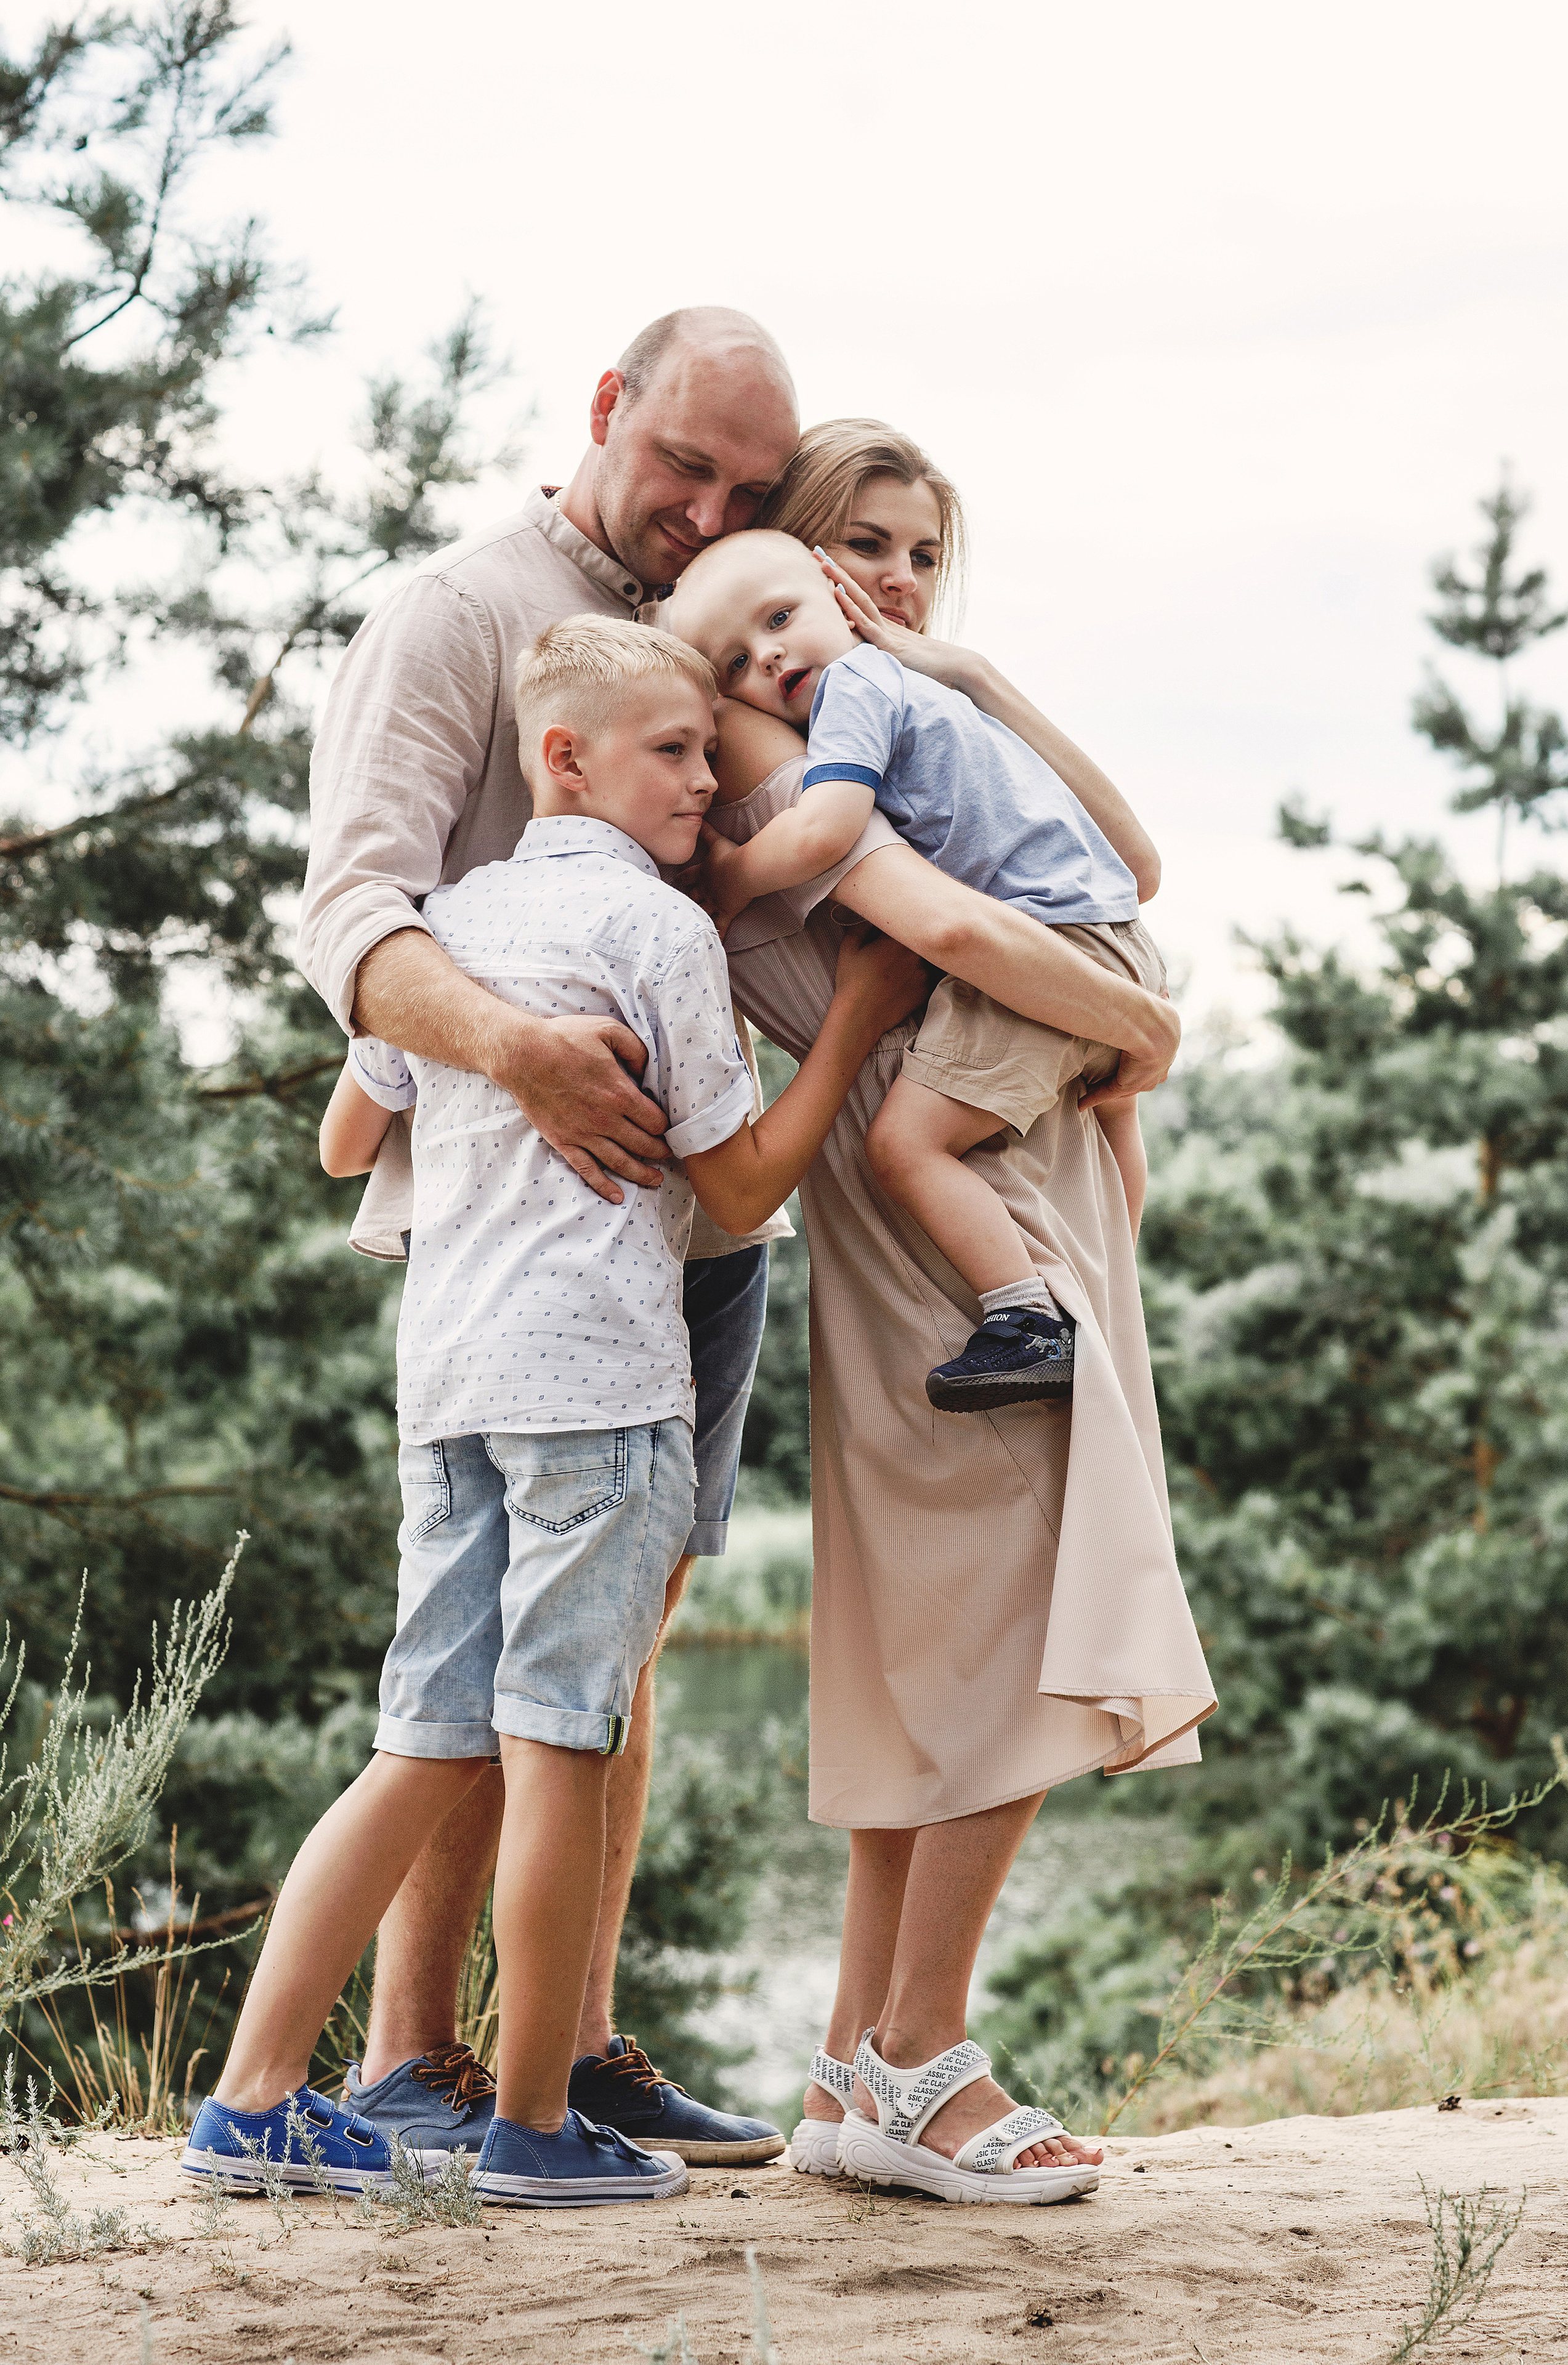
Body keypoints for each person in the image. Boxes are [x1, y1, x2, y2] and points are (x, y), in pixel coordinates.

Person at [183, 620, 927, 2205]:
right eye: (673, 752)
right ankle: (530, 2129)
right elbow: (734, 1187)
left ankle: (248, 2103)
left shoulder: (442, 924)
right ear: (561, 755)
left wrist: (487, 1081)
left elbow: (339, 1143)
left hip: (446, 1385)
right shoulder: (658, 932)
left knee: (417, 1745)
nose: (708, 785)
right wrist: (855, 1017)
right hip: (594, 1397)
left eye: (711, 759)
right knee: (556, 1745)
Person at [679, 419, 1214, 2202]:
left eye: (924, 554)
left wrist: (966, 665)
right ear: (798, 549)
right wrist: (1140, 1033)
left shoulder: (903, 689)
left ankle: (858, 2063)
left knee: (962, 1615)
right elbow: (943, 930)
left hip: (996, 1140)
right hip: (952, 1171)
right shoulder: (780, 714)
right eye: (867, 548)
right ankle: (919, 2060)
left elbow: (1128, 866)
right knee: (1018, 1600)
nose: (896, 584)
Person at [295, 308, 804, 2165]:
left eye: (749, 486)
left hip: (688, 1225)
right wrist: (514, 1052)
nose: (709, 506)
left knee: (614, 1654)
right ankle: (413, 2067)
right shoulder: (458, 613)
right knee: (490, 1670)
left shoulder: (744, 603)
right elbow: (351, 905)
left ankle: (567, 2050)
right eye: (684, 461)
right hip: (526, 1234)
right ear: (606, 410)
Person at [669, 527, 1157, 1412]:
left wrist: (732, 876)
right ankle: (1114, 1296)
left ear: (837, 598)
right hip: (1103, 931)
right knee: (1110, 1118)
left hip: (1050, 940)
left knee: (904, 1145)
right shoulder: (909, 692)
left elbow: (824, 829)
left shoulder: (856, 686)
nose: (770, 656)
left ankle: (1028, 1321)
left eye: (782, 618)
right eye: (736, 663)